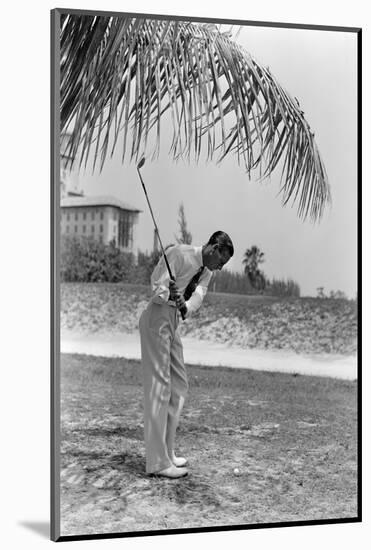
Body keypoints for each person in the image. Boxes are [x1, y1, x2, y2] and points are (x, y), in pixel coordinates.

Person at [139, 231, 234, 478]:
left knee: (179, 386)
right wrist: (168, 293)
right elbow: (155, 285)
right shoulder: (178, 254)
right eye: (220, 262)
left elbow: (198, 297)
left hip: (172, 320)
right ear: (213, 248)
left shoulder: (207, 272)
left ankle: (167, 453)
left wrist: (184, 305)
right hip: (156, 317)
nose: (220, 268)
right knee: (159, 387)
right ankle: (158, 463)